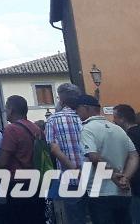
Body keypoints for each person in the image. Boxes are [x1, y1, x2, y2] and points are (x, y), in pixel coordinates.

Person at [78, 94, 138, 224]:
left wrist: (113, 175)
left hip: (100, 192)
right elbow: (134, 156)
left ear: (85, 108)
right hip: (123, 192)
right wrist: (125, 177)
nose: (77, 113)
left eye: (78, 109)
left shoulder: (87, 129)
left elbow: (93, 156)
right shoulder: (118, 129)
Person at [0, 96, 47, 224]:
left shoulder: (11, 129)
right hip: (36, 181)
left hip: (18, 183)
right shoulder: (36, 128)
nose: (5, 111)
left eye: (6, 108)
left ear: (11, 110)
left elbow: (3, 161)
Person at [46, 84, 91, 224]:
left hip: (70, 179)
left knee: (76, 218)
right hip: (93, 176)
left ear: (61, 100)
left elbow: (54, 149)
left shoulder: (53, 120)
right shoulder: (87, 118)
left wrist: (74, 169)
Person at [112, 105, 140, 224]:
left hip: (135, 184)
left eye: (115, 117)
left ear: (122, 119)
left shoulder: (126, 137)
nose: (113, 121)